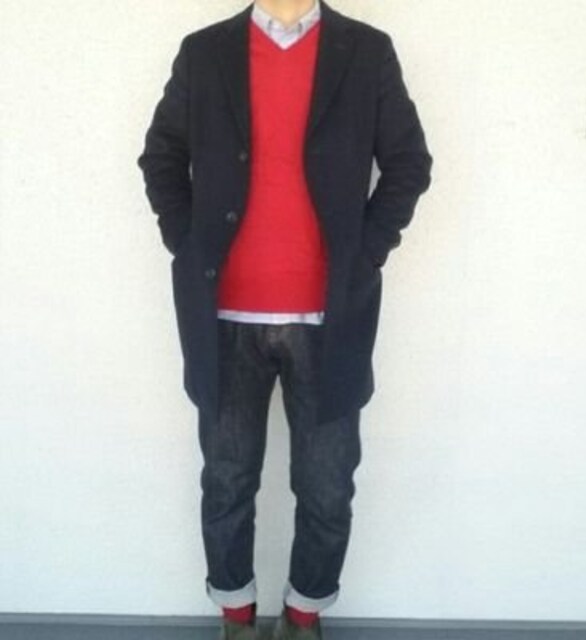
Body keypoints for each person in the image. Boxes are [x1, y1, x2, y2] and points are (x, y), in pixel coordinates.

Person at [137, 0, 432, 638]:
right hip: (223, 316)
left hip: (330, 317)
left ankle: (303, 616)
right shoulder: (204, 51)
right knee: (227, 480)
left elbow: (409, 162)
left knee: (327, 486)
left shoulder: (367, 51)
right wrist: (187, 242)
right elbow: (161, 156)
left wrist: (365, 251)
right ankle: (236, 617)